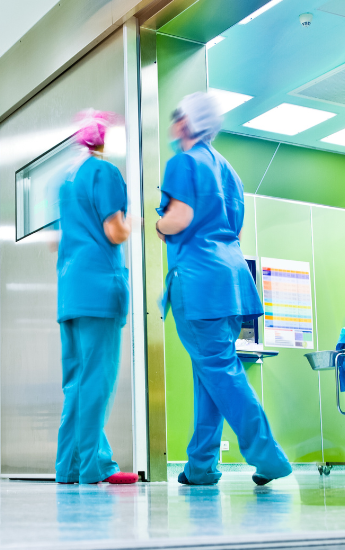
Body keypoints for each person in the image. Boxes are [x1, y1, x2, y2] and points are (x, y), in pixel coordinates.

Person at [156, 92, 292, 486]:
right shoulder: (228, 170)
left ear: (186, 123)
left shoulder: (183, 162)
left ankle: (268, 457)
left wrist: (159, 224)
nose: (172, 124)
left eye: (176, 117)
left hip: (199, 284)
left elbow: (179, 218)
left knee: (221, 372)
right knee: (210, 374)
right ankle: (200, 466)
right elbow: (233, 227)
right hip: (231, 282)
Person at [53, 109, 138, 485]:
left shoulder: (66, 182)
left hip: (70, 291)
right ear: (103, 139)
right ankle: (93, 467)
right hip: (99, 290)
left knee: (76, 381)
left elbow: (60, 239)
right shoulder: (104, 172)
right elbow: (115, 230)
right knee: (97, 381)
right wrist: (142, 222)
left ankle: (69, 467)